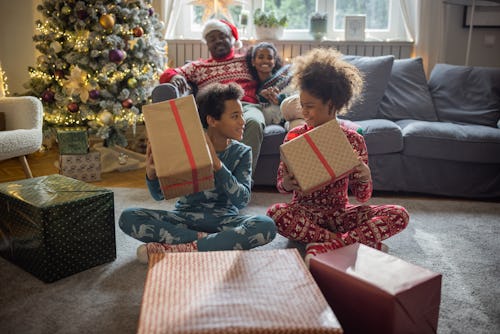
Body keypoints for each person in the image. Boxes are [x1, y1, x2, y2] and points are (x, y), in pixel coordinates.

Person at [266, 48, 409, 265]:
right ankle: (343, 243)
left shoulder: (353, 140)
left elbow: (362, 197)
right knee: (275, 213)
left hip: (341, 214)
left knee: (399, 214)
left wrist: (365, 177)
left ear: (332, 104)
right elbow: (282, 187)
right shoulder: (295, 135)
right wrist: (286, 182)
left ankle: (330, 243)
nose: (304, 112)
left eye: (310, 106)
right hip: (305, 214)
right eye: (302, 105)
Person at [119, 82, 276, 263]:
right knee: (128, 216)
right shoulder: (187, 147)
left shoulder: (242, 152)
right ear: (212, 120)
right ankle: (211, 245)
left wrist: (217, 165)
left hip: (224, 222)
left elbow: (241, 200)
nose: (243, 122)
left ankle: (178, 249)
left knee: (266, 226)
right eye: (235, 116)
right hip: (184, 219)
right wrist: (152, 175)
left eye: (242, 115)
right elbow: (159, 196)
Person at [159, 19, 264, 175]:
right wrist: (174, 77)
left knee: (254, 122)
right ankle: (208, 178)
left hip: (245, 107)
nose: (218, 41)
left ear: (232, 39)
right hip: (214, 111)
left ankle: (242, 180)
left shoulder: (246, 60)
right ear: (207, 44)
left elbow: (273, 65)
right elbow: (166, 74)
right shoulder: (198, 67)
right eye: (212, 39)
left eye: (222, 36)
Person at [245, 42, 293, 126]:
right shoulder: (254, 88)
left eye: (270, 58)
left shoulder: (285, 74)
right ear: (253, 62)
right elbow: (263, 113)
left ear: (274, 62)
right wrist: (264, 98)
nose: (266, 61)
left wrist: (280, 99)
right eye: (261, 57)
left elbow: (297, 95)